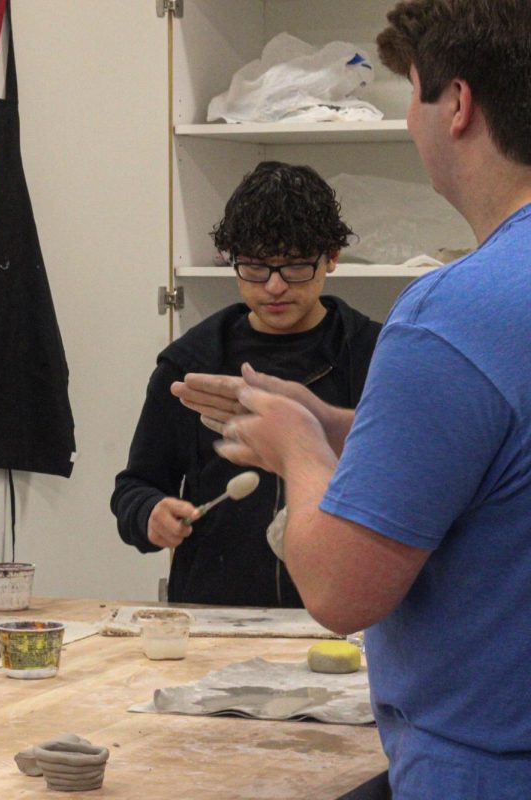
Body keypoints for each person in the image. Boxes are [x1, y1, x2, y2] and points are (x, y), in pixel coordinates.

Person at [175, 2, 531, 796]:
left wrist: (296, 449)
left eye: (412, 94)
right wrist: (344, 425)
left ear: (460, 105)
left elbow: (340, 590)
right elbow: (498, 456)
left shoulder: (453, 314)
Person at [110, 162, 381, 607]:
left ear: (331, 257)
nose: (274, 286)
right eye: (255, 267)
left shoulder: (374, 355)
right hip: (215, 616)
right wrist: (150, 514)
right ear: (231, 260)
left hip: (342, 614)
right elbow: (135, 485)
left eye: (294, 266)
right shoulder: (190, 366)